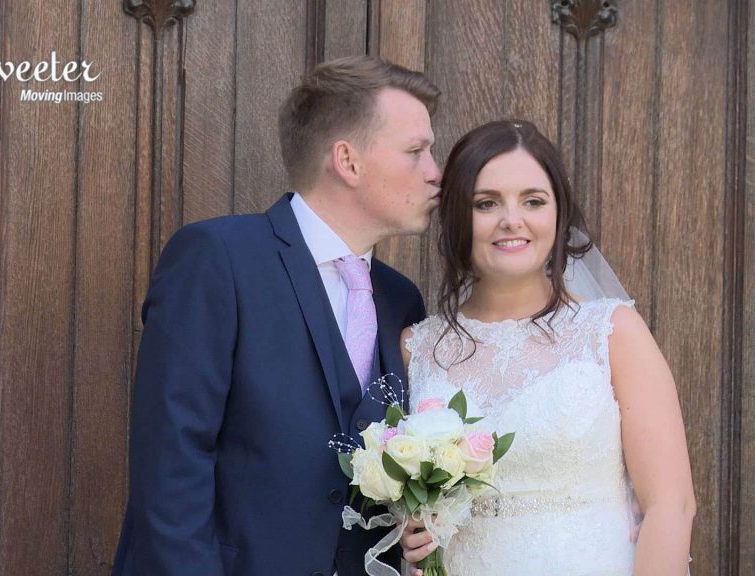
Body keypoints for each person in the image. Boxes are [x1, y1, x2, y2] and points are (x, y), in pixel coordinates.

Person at [111, 56, 442, 576]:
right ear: (348, 161)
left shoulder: (401, 299)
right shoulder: (217, 257)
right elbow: (171, 461)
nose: (435, 173)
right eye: (416, 152)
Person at [399, 120, 695, 575]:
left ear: (558, 215)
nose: (511, 220)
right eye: (486, 203)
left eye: (533, 201)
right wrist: (410, 533)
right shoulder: (418, 348)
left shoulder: (613, 332)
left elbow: (670, 506)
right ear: (458, 215)